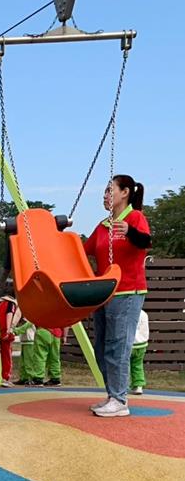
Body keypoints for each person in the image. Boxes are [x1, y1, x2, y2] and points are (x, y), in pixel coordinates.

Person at [84, 174, 152, 417]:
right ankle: (113, 395)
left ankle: (119, 400)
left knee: (117, 346)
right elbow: (83, 250)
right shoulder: (103, 225)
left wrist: (129, 231)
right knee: (101, 347)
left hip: (127, 291)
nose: (105, 195)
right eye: (105, 191)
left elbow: (145, 241)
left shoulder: (135, 218)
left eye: (109, 190)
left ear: (125, 193)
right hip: (105, 293)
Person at [0, 281, 18, 387]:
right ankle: (5, 378)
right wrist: (9, 329)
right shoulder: (11, 303)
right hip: (5, 332)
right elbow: (9, 314)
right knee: (6, 356)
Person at [129, 308, 149, 395]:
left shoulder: (127, 312)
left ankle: (123, 386)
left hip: (130, 343)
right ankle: (138, 385)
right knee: (138, 365)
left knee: (124, 366)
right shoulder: (144, 314)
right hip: (142, 344)